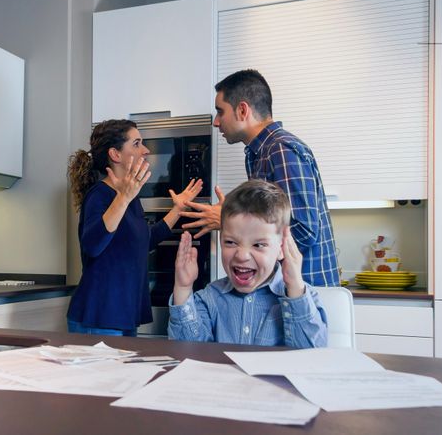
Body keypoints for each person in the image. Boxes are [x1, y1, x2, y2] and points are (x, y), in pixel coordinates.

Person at [181, 69, 340, 287]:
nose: (216, 122)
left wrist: (233, 224)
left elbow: (303, 232)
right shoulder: (258, 153)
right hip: (286, 289)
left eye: (220, 111)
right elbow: (272, 219)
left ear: (243, 110)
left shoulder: (280, 150)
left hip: (306, 290)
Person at [66, 119, 203, 336]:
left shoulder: (130, 199)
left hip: (123, 315)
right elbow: (92, 245)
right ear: (116, 154)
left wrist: (177, 209)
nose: (146, 150)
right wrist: (124, 197)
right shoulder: (99, 195)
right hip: (100, 316)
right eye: (137, 144)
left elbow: (144, 240)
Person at [168, 179, 328, 347]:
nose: (242, 255)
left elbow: (311, 356)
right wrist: (183, 288)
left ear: (282, 248)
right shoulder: (210, 297)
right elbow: (188, 351)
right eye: (230, 242)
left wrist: (294, 286)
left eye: (258, 245)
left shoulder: (304, 297)